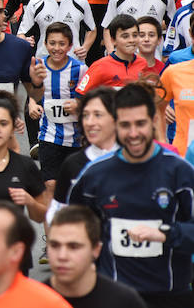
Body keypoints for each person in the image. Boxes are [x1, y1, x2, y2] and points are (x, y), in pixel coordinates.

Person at [68, 83, 194, 307]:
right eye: (125, 125)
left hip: (170, 295)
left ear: (154, 122)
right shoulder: (94, 175)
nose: (134, 134)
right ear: (115, 125)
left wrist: (165, 233)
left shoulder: (181, 172)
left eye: (140, 124)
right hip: (114, 296)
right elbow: (74, 232)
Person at [26, 23, 88, 195]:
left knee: (73, 189)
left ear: (70, 46)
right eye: (52, 43)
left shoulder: (81, 69)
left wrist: (79, 105)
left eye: (62, 44)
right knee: (50, 186)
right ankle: (51, 220)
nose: (57, 48)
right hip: (49, 136)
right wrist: (32, 103)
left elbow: (91, 98)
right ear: (45, 44)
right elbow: (32, 91)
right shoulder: (39, 67)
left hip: (76, 138)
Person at [0, 93, 50, 223]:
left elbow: (40, 217)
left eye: (4, 123)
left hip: (14, 240)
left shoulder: (25, 166)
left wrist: (30, 202)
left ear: (13, 129)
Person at [45, 205, 147, 307]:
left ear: (96, 250)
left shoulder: (125, 301)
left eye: (74, 247)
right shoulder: (33, 299)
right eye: (54, 245)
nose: (62, 256)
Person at [46, 88, 118, 224]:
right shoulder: (73, 164)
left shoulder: (132, 160)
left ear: (115, 118)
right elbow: (55, 212)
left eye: (98, 115)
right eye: (85, 115)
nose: (89, 122)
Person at [75, 15, 148, 97]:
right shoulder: (100, 66)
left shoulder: (143, 63)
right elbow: (80, 95)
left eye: (135, 35)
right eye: (125, 36)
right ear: (113, 40)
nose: (131, 40)